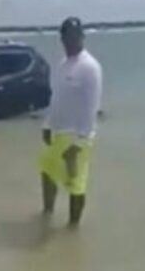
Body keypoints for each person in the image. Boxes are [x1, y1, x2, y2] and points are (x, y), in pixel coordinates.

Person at [39, 17, 102, 228]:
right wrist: (47, 125)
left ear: (82, 37)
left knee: (76, 183)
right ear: (62, 39)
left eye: (75, 36)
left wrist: (80, 142)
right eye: (66, 37)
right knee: (47, 171)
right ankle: (47, 212)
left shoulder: (90, 67)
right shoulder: (62, 66)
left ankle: (73, 228)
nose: (70, 41)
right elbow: (55, 98)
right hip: (58, 132)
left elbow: (92, 106)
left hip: (78, 135)